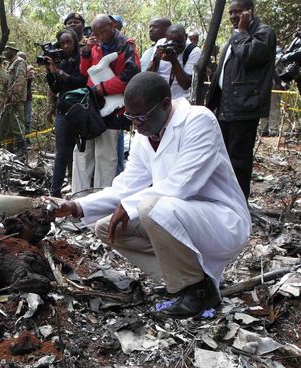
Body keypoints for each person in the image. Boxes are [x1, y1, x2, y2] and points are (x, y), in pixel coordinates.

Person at [52, 72, 251, 319]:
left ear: (166, 104)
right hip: (175, 215)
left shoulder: (198, 120)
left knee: (150, 208)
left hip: (219, 220)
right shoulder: (143, 137)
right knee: (107, 229)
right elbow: (125, 187)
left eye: (141, 116)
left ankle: (198, 292)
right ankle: (182, 282)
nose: (136, 124)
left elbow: (181, 185)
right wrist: (74, 205)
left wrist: (130, 204)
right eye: (130, 116)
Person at [206, 0, 276, 200]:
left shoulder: (263, 32)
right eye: (230, 13)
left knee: (238, 161)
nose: (233, 16)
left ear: (250, 12)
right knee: (223, 159)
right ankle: (224, 201)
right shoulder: (236, 35)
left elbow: (250, 56)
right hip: (226, 108)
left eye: (238, 12)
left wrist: (242, 31)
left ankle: (239, 206)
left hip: (243, 108)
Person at [76, 14, 139, 190]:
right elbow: (84, 71)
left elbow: (130, 77)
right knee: (82, 155)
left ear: (112, 25)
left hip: (113, 109)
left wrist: (102, 89)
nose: (100, 37)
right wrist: (87, 51)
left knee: (106, 158)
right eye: (97, 33)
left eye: (103, 32)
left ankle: (100, 203)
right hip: (91, 107)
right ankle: (77, 200)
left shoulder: (127, 46)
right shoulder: (96, 45)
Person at [45, 28, 88, 197]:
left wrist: (60, 73)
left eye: (68, 42)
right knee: (62, 153)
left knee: (81, 153)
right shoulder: (59, 60)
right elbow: (55, 88)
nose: (65, 46)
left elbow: (81, 82)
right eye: (62, 43)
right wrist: (50, 72)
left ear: (75, 42)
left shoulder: (82, 58)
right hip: (63, 110)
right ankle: (54, 193)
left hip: (80, 110)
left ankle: (80, 191)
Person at [147, 24, 201, 100]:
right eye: (170, 42)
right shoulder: (161, 43)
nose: (174, 46)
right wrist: (156, 58)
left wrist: (174, 60)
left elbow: (186, 85)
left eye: (178, 42)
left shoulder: (194, 51)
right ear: (166, 37)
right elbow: (149, 75)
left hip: (181, 101)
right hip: (159, 99)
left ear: (185, 37)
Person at [2, 43, 28, 156]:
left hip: (16, 100)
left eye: (7, 49)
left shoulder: (20, 62)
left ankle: (21, 149)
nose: (5, 51)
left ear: (13, 50)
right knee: (9, 126)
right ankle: (10, 149)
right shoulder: (10, 64)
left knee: (17, 124)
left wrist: (15, 97)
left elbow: (20, 80)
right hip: (9, 100)